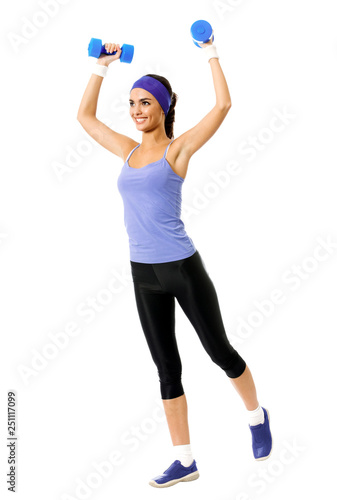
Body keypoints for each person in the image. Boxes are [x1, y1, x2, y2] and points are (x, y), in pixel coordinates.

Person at [77, 38, 272, 489]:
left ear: (163, 107)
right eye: (131, 104)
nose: (136, 110)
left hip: (182, 269)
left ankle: (257, 416)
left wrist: (211, 51)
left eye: (145, 102)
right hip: (143, 274)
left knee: (220, 352)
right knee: (166, 368)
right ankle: (184, 460)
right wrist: (100, 66)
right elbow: (85, 117)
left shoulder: (177, 151)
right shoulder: (127, 150)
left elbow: (223, 105)